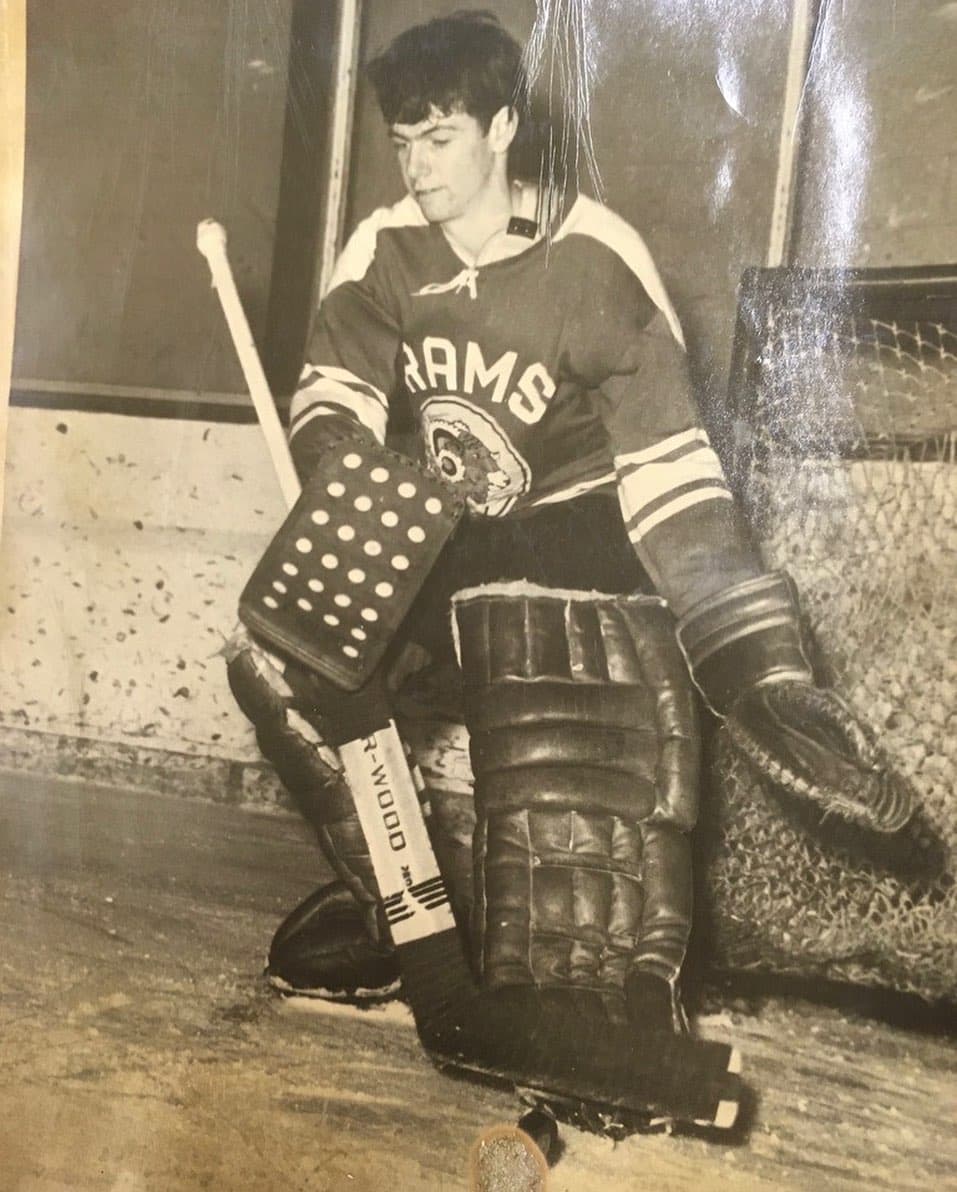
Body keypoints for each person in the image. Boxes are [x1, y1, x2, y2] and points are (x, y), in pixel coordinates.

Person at [226, 9, 922, 1129]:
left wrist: (752, 655)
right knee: (278, 655)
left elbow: (671, 472)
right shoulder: (384, 248)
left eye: (441, 137)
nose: (418, 167)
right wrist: (348, 507)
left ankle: (606, 986)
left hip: (579, 534)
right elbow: (336, 402)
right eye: (403, 140)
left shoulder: (595, 258)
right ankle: (414, 911)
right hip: (440, 524)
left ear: (504, 128)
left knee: (560, 689)